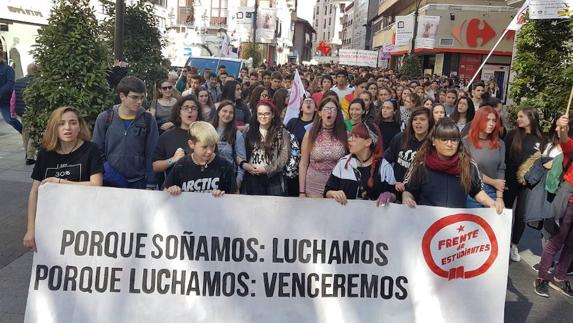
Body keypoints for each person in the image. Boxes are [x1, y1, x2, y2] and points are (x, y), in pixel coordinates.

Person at [23, 106, 104, 250]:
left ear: (79, 126)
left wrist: (59, 182)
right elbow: (34, 192)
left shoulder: (91, 150)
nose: (68, 128)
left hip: (84, 222)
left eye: (73, 123)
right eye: (61, 123)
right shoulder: (45, 153)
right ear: (54, 127)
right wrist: (31, 229)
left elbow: (96, 185)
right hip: (52, 223)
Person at [402, 118, 503, 213]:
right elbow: (409, 190)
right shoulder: (420, 164)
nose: (450, 144)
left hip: (456, 226)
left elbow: (476, 191)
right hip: (428, 225)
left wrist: (492, 203)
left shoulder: (468, 165)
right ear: (433, 141)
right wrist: (407, 199)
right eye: (444, 139)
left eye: (454, 140)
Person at [92, 76, 159, 189]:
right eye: (134, 97)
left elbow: (152, 153)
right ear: (122, 96)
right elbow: (97, 151)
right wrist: (108, 173)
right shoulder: (105, 118)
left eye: (142, 97)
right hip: (109, 181)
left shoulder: (148, 120)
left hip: (138, 182)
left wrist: (151, 182)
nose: (139, 102)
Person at [534, 114, 573, 298]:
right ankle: (542, 277)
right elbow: (564, 140)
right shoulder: (571, 147)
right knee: (555, 242)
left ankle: (559, 277)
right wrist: (562, 128)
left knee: (572, 246)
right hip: (568, 204)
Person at [504, 107, 544, 262]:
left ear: (531, 118)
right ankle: (501, 241)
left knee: (521, 215)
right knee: (506, 212)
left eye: (521, 116)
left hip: (528, 184)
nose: (518, 119)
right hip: (509, 179)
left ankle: (514, 245)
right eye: (517, 116)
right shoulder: (512, 135)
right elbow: (504, 159)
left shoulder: (541, 140)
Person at [324, 122, 395, 205]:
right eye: (351, 136)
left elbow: (394, 194)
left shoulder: (384, 167)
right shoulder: (343, 163)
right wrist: (333, 193)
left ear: (368, 142)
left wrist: (389, 196)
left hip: (373, 217)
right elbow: (327, 192)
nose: (349, 139)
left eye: (355, 137)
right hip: (345, 216)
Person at [164, 121, 235, 196]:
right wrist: (172, 190)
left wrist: (222, 195)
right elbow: (165, 191)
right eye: (204, 147)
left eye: (212, 146)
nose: (209, 151)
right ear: (191, 144)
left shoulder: (225, 166)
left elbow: (235, 196)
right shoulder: (181, 165)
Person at [299, 97, 347, 198]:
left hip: (337, 185)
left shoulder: (345, 133)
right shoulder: (310, 134)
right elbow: (303, 163)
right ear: (320, 113)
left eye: (333, 109)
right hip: (313, 186)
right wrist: (302, 192)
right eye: (327, 109)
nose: (330, 112)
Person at [241, 100, 291, 196]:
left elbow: (284, 157)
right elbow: (240, 153)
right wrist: (245, 165)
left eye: (266, 114)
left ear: (272, 115)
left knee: (274, 208)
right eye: (260, 114)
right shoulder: (248, 131)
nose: (263, 117)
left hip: (273, 178)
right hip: (253, 176)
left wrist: (266, 169)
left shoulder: (281, 132)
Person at [152, 95, 202, 187]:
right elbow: (155, 166)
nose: (190, 111)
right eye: (185, 108)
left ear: (198, 113)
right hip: (173, 192)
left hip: (200, 189)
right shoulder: (167, 136)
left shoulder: (204, 134)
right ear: (179, 112)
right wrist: (173, 160)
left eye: (194, 108)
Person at [384, 108, 433, 199]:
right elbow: (385, 161)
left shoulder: (433, 145)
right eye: (415, 119)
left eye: (422, 119)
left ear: (429, 122)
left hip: (417, 195)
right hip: (395, 189)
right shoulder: (400, 138)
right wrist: (394, 181)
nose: (418, 122)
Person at [463, 106, 506, 208]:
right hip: (472, 191)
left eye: (494, 120)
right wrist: (493, 182)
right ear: (478, 120)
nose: (491, 124)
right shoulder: (466, 141)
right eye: (487, 120)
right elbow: (468, 169)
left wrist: (500, 197)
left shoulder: (500, 143)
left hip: (493, 191)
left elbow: (501, 169)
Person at [212, 100, 247, 190]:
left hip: (228, 179)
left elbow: (242, 160)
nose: (227, 114)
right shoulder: (209, 130)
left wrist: (238, 182)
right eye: (224, 111)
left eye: (231, 112)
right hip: (210, 178)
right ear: (218, 112)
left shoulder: (236, 134)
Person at [0, 48, 20, 134]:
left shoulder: (8, 69)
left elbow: (10, 83)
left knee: (10, 119)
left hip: (5, 101)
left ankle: (23, 131)